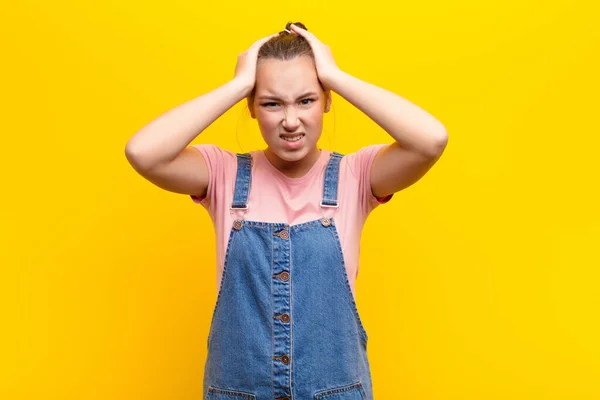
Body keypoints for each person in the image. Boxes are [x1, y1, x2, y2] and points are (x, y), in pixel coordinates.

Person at [125, 21, 447, 400]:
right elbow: (142, 152)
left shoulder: (355, 175)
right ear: (251, 107)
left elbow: (432, 139)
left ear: (327, 100)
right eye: (271, 103)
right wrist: (238, 84)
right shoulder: (222, 172)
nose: (290, 121)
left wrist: (334, 75)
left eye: (306, 100)